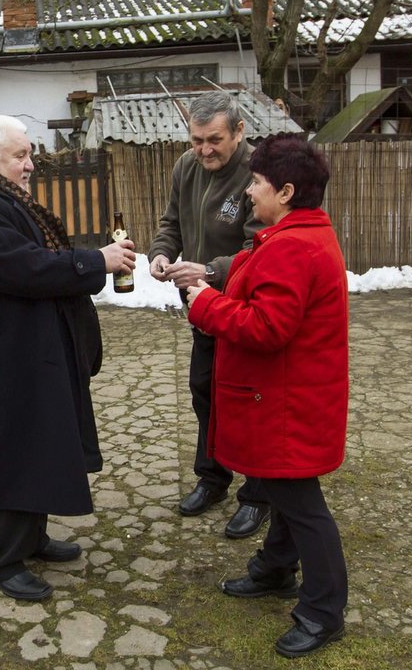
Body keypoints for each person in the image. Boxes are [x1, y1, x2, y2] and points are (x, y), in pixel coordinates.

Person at [0, 114, 136, 601]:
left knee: (38, 443)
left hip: (24, 346)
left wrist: (87, 259)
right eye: (20, 156)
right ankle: (1, 560)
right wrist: (97, 261)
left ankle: (32, 538)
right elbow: (24, 267)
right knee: (7, 450)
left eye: (30, 155)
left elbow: (32, 257)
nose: (30, 166)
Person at [185, 134, 349, 659]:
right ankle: (275, 570)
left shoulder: (294, 245)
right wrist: (214, 277)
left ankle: (323, 613)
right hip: (287, 396)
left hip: (287, 405)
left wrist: (207, 304)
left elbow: (266, 327)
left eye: (257, 183)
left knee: (303, 506)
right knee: (282, 492)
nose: (250, 192)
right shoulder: (295, 235)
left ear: (287, 191)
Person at [148, 90, 270, 539]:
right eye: (196, 140)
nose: (203, 150)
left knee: (248, 401)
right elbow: (171, 223)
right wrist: (161, 255)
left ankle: (259, 495)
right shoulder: (186, 167)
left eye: (213, 140)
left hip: (244, 310)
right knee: (204, 390)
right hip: (203, 309)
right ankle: (213, 477)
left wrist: (210, 270)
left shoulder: (260, 174)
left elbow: (261, 249)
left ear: (239, 131)